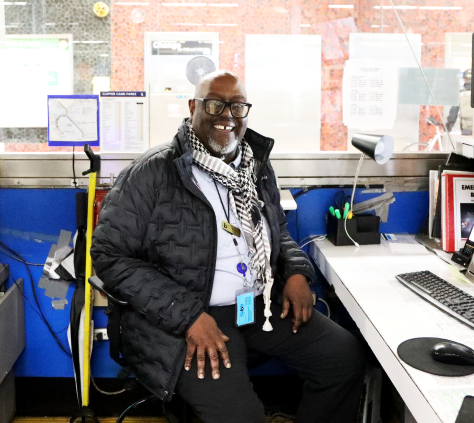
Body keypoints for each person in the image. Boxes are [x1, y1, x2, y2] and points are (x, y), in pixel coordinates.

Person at [92, 70, 367, 423]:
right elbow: (109, 256)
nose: (227, 115)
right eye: (215, 104)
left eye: (237, 106)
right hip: (190, 315)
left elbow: (276, 233)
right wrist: (188, 316)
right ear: (193, 106)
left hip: (256, 306)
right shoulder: (154, 172)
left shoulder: (255, 167)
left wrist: (297, 272)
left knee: (343, 357)